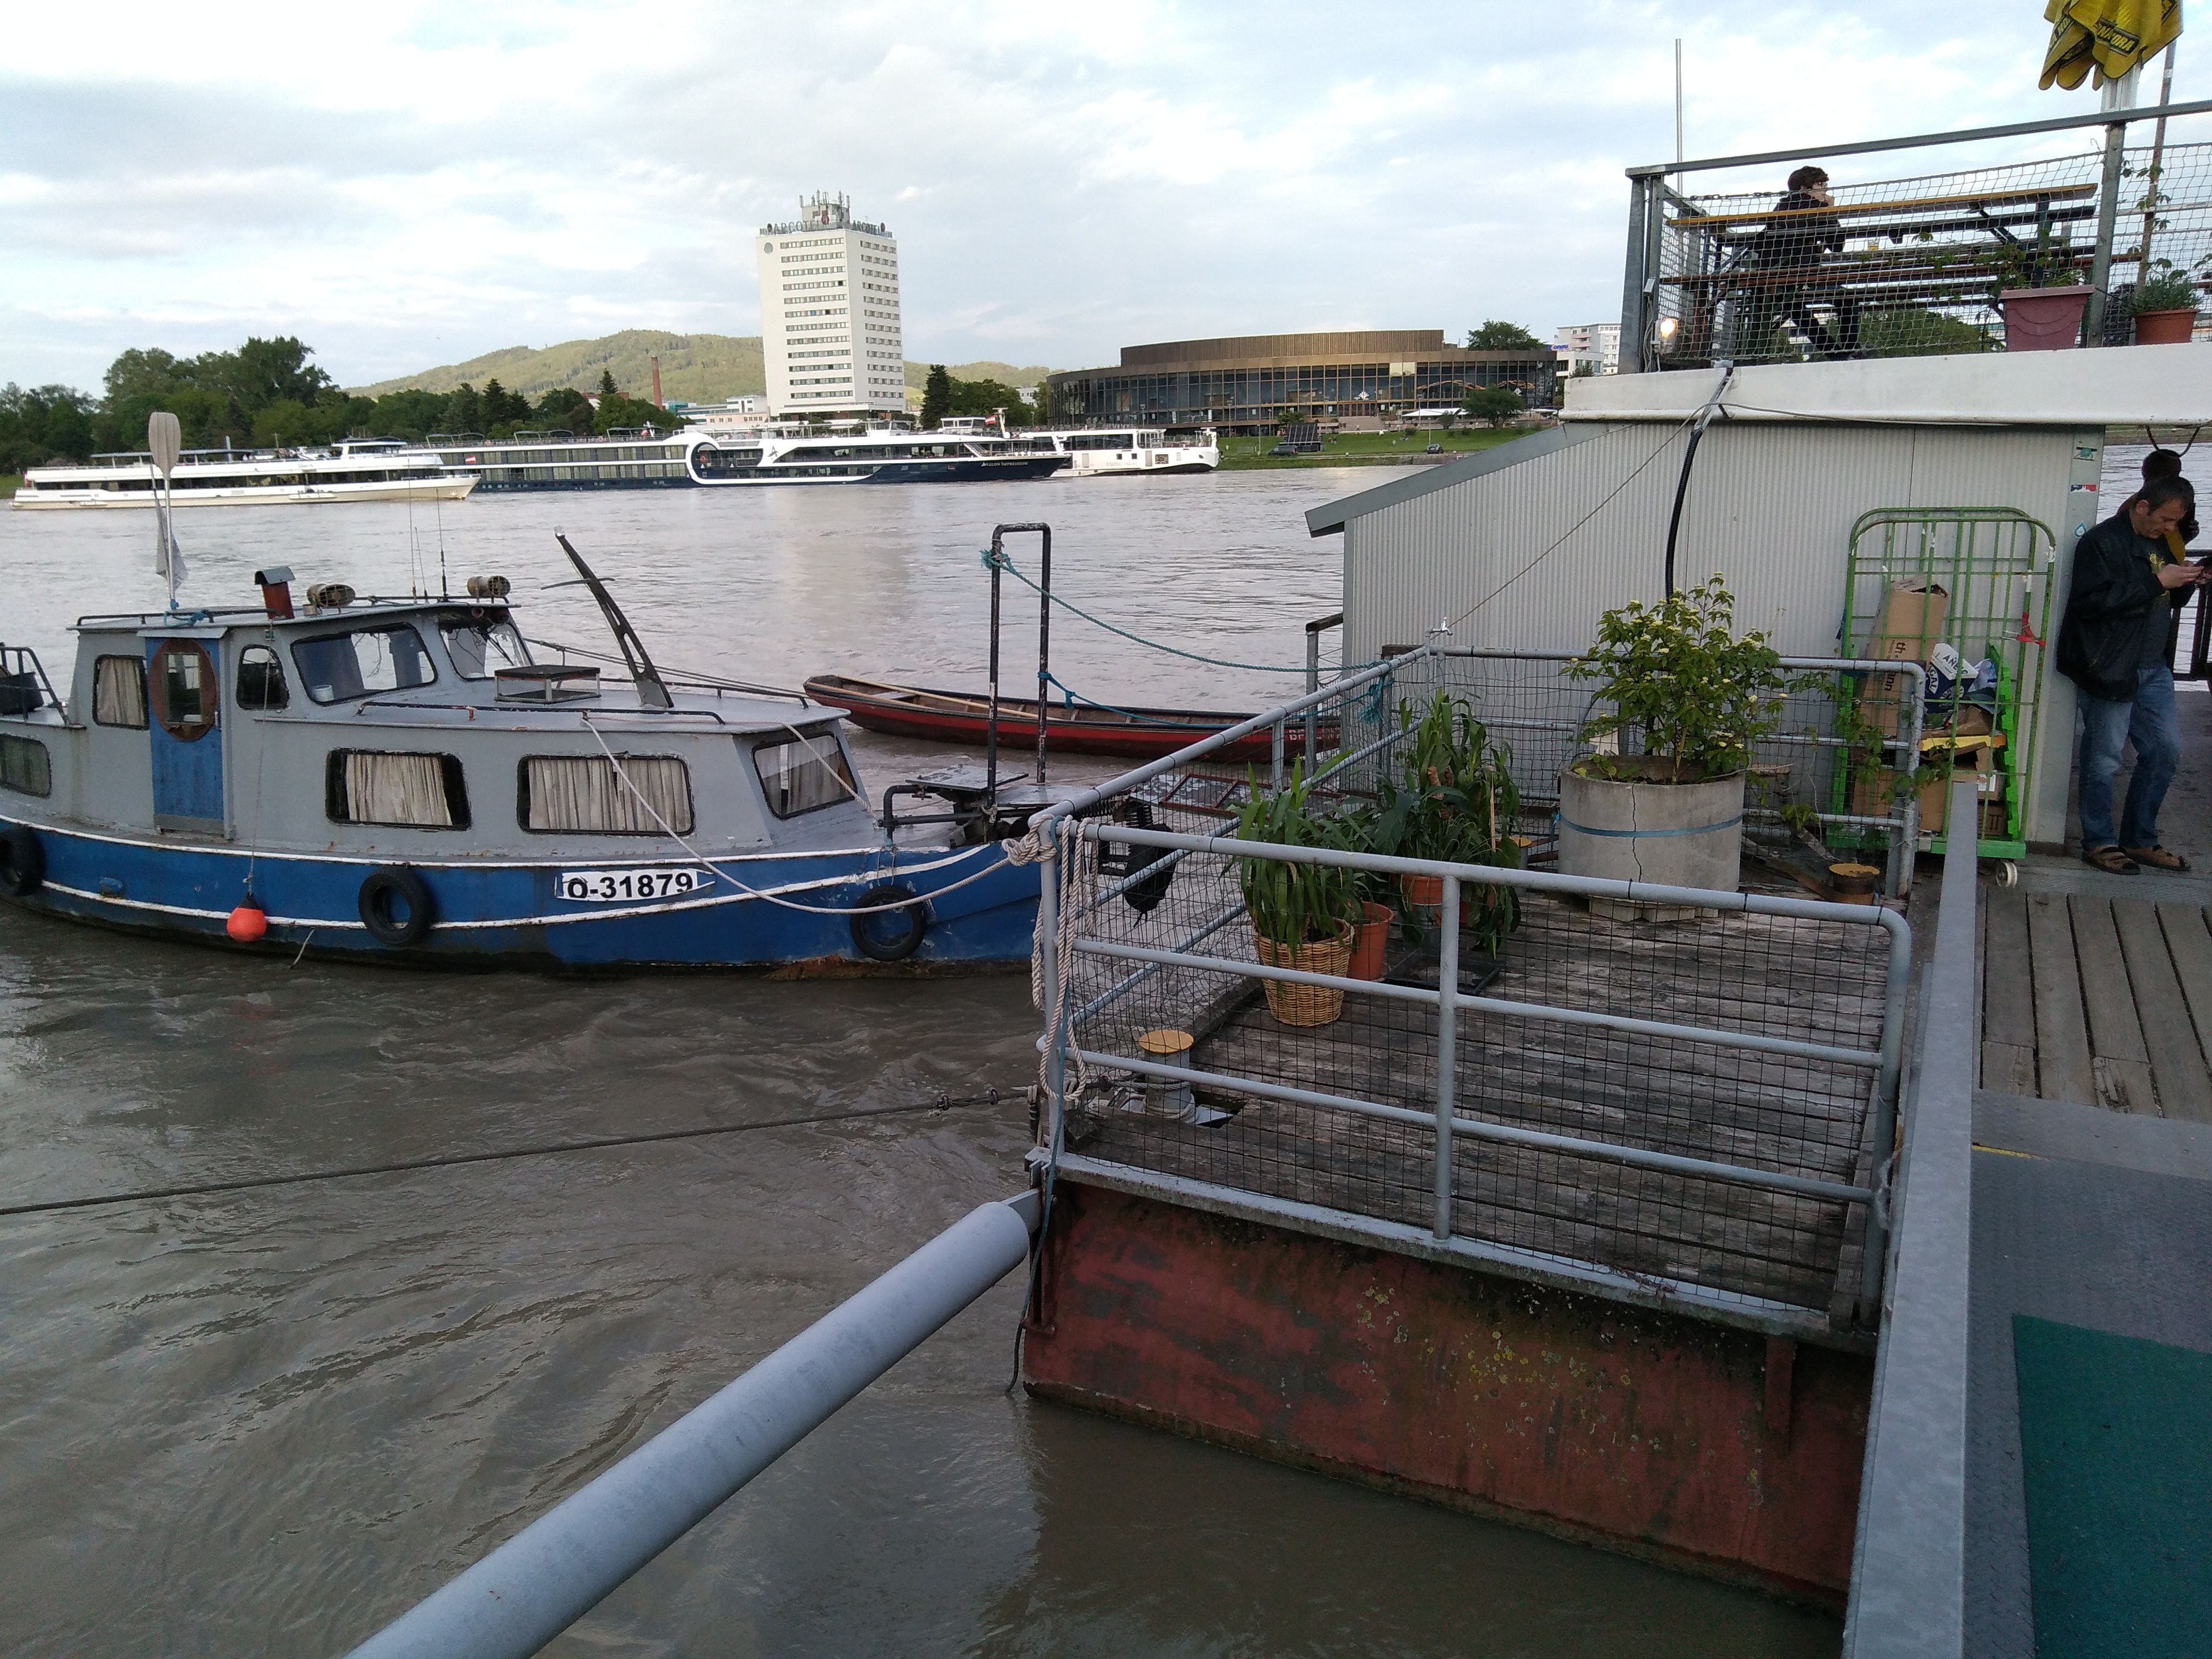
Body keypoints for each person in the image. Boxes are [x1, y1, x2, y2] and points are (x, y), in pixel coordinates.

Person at [2056, 474, 2205, 873]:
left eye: (2176, 522)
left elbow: (2164, 598)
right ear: (2143, 507)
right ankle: (2100, 841)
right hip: (2110, 665)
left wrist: (2189, 580)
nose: (2171, 528)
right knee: (2104, 757)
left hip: (2152, 665)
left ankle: (2140, 840)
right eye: (2167, 520)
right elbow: (2092, 604)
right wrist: (2158, 580)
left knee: (2165, 750)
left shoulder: (2162, 541)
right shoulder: (2101, 543)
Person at [1754, 165, 1862, 358]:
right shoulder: (1816, 208)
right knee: (1848, 300)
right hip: (1801, 274)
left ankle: (1839, 354)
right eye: (1820, 184)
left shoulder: (1781, 207)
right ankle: (1847, 350)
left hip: (1776, 278)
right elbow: (1837, 245)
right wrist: (1830, 211)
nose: (1825, 189)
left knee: (1797, 311)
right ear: (1805, 188)